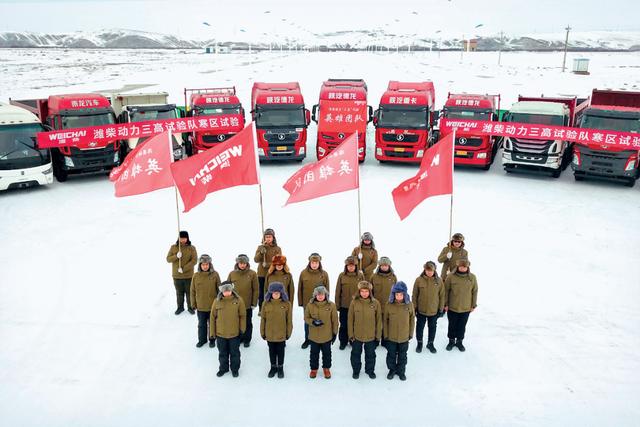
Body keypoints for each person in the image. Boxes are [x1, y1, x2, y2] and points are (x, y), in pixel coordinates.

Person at [210, 281, 246, 378]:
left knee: (235, 353)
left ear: (232, 289)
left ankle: (235, 369)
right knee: (222, 353)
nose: (227, 292)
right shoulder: (217, 301)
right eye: (224, 290)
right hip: (220, 334)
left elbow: (242, 316)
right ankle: (223, 368)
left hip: (234, 334)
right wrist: (212, 332)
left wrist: (242, 329)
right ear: (221, 291)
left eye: (228, 290)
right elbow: (212, 318)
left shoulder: (238, 300)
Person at [348, 281, 382, 379]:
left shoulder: (376, 303)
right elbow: (350, 320)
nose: (364, 293)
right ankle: (356, 370)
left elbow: (379, 321)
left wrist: (377, 337)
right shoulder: (354, 302)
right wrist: (351, 335)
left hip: (371, 336)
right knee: (355, 354)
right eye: (362, 291)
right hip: (357, 335)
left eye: (366, 291)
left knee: (371, 355)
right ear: (359, 292)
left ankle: (370, 370)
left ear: (370, 292)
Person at [304, 286, 338, 379]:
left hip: (326, 336)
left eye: (322, 294)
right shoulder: (310, 305)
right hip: (314, 336)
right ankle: (313, 369)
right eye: (318, 295)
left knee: (327, 354)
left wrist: (334, 333)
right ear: (315, 295)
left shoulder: (331, 305)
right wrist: (313, 322)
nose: (320, 296)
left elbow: (335, 320)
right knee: (314, 354)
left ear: (325, 295)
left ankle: (326, 369)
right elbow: (306, 318)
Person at [444, 258, 478, 352]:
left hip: (466, 307)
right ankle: (451, 341)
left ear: (468, 267)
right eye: (461, 266)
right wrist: (445, 304)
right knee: (452, 325)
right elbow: (446, 291)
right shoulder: (451, 276)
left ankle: (459, 341)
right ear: (458, 266)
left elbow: (474, 291)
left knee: (462, 325)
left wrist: (473, 305)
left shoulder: (472, 277)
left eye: (465, 267)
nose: (463, 268)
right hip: (452, 307)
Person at [260, 282, 293, 379]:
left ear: (282, 293)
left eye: (278, 293)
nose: (276, 295)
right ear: (270, 293)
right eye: (274, 293)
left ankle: (280, 368)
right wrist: (263, 332)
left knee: (281, 351)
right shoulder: (265, 303)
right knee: (272, 351)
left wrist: (288, 332)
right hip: (269, 334)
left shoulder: (286, 304)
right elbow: (263, 319)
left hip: (281, 334)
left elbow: (289, 320)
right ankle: (273, 367)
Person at [297, 252, 330, 349]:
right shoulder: (303, 273)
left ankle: (319, 340)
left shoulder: (324, 274)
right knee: (308, 321)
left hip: (321, 303)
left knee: (320, 320)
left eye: (316, 263)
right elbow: (300, 288)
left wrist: (327, 301)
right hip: (307, 303)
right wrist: (300, 302)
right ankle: (307, 339)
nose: (314, 265)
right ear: (309, 262)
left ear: (319, 263)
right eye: (313, 262)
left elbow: (327, 289)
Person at [384, 281, 415, 381]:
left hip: (404, 336)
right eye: (396, 294)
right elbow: (385, 321)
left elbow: (412, 320)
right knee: (391, 354)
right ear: (393, 294)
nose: (398, 296)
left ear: (404, 294)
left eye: (401, 294)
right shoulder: (389, 305)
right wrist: (386, 334)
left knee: (402, 355)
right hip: (391, 336)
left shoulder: (409, 305)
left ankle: (401, 371)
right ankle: (392, 370)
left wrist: (410, 334)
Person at [412, 261, 444, 354]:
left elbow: (442, 296)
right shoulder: (419, 280)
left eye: (431, 270)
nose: (429, 272)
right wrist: (415, 307)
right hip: (421, 310)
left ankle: (430, 343)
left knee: (432, 327)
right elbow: (415, 295)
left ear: (434, 270)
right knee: (420, 327)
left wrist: (440, 309)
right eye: (427, 270)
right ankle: (419, 343)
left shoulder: (439, 281)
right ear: (424, 270)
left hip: (434, 310)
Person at [227, 254, 259, 348]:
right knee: (236, 322)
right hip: (234, 304)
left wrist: (254, 302)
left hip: (247, 304)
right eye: (240, 263)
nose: (242, 265)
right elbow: (228, 288)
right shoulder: (232, 274)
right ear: (237, 263)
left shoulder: (252, 274)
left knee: (247, 322)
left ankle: (247, 339)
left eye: (244, 263)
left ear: (247, 263)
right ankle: (239, 338)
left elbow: (256, 289)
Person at [190, 254, 220, 348]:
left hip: (212, 306)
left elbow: (219, 290)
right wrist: (193, 303)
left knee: (212, 324)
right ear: (200, 265)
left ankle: (212, 340)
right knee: (201, 325)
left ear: (210, 264)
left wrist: (219, 303)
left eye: (207, 264)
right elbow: (192, 290)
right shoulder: (196, 276)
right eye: (203, 264)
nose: (205, 266)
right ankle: (202, 340)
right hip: (201, 306)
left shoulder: (215, 274)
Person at [335, 256, 365, 350]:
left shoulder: (360, 276)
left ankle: (353, 341)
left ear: (356, 266)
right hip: (344, 305)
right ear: (346, 266)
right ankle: (343, 341)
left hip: (357, 306)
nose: (351, 267)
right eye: (349, 265)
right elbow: (338, 291)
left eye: (353, 265)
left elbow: (364, 290)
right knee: (343, 324)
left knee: (355, 324)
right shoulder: (341, 276)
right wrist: (337, 304)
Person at [165, 230, 198, 315]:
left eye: (184, 238)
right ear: (178, 238)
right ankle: (180, 308)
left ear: (187, 238)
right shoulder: (174, 247)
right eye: (181, 238)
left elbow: (194, 261)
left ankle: (190, 307)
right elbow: (168, 259)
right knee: (179, 293)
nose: (183, 240)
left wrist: (184, 269)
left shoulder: (192, 248)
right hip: (177, 275)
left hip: (188, 275)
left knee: (189, 292)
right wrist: (176, 256)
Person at [370, 256, 397, 345]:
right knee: (376, 323)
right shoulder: (374, 276)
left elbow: (396, 292)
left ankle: (385, 341)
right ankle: (376, 340)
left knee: (387, 324)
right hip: (376, 306)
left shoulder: (393, 277)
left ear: (389, 266)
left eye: (386, 265)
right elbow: (370, 292)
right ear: (379, 266)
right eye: (382, 265)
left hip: (389, 306)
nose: (384, 267)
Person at [254, 228, 282, 309]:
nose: (268, 238)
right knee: (261, 292)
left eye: (270, 236)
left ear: (273, 238)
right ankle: (261, 308)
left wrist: (269, 265)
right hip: (261, 274)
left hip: (272, 273)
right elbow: (256, 260)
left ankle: (272, 307)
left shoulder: (277, 249)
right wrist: (261, 253)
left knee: (271, 291)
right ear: (264, 238)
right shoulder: (260, 247)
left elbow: (278, 262)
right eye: (266, 237)